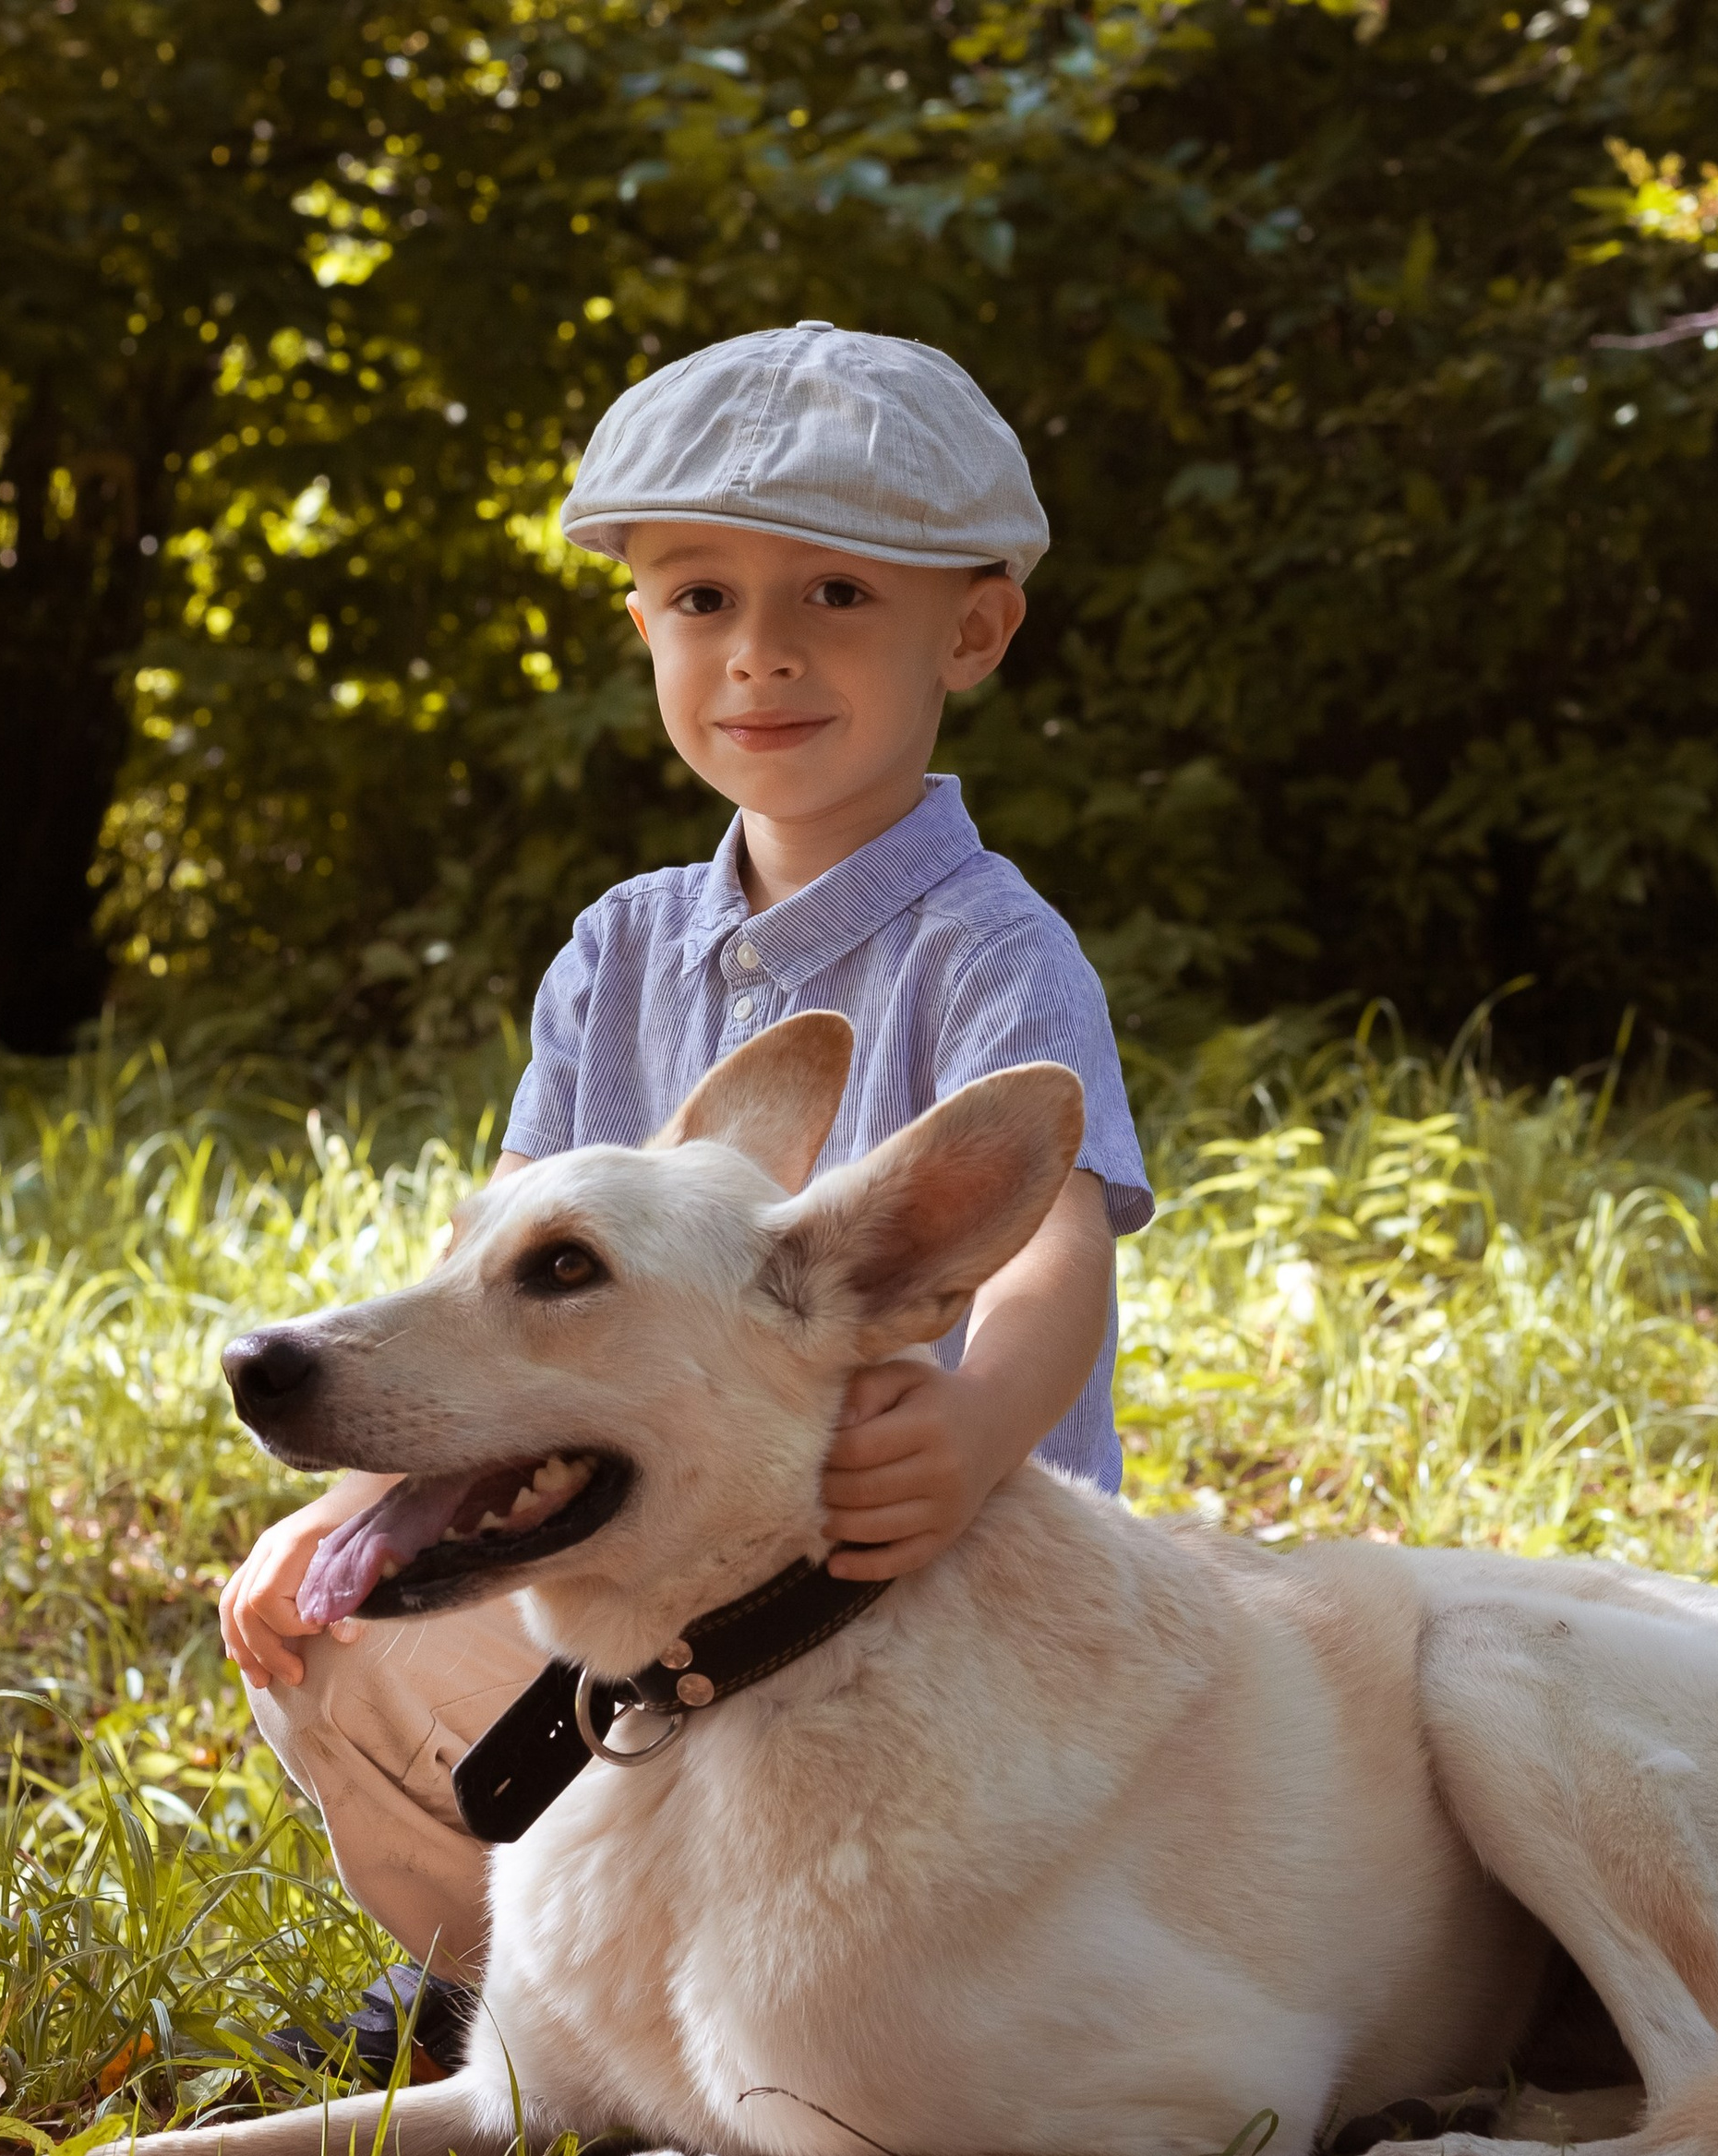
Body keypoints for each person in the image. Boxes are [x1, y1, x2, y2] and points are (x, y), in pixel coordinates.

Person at [216, 325, 1151, 2046]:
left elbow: (1051, 1255)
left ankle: (831, 2012)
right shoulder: (621, 945)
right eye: (702, 597)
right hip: (658, 1569)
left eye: (838, 598)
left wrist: (965, 1439)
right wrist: (365, 1506)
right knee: (330, 1629)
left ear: (977, 626)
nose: (762, 655)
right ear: (640, 621)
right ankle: (534, 1998)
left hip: (911, 1590)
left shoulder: (990, 950)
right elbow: (490, 1279)